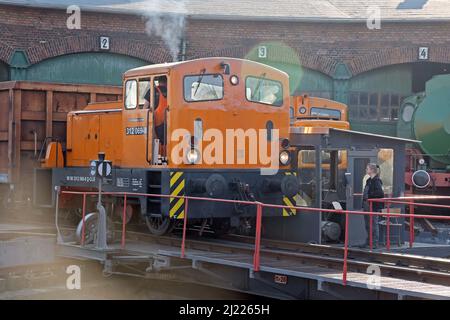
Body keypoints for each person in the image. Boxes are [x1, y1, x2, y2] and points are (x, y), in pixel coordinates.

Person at [362, 163, 385, 248]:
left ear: (372, 170)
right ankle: (368, 242)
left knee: (373, 225)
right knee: (368, 225)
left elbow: (380, 193)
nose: (366, 170)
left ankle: (374, 243)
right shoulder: (369, 180)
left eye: (367, 168)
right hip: (367, 205)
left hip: (373, 206)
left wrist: (369, 196)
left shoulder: (377, 181)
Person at [143, 77, 168, 155]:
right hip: (169, 122)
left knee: (157, 141)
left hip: (157, 122)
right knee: (166, 141)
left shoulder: (152, 91)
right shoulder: (172, 91)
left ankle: (159, 157)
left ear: (159, 81)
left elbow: (145, 107)